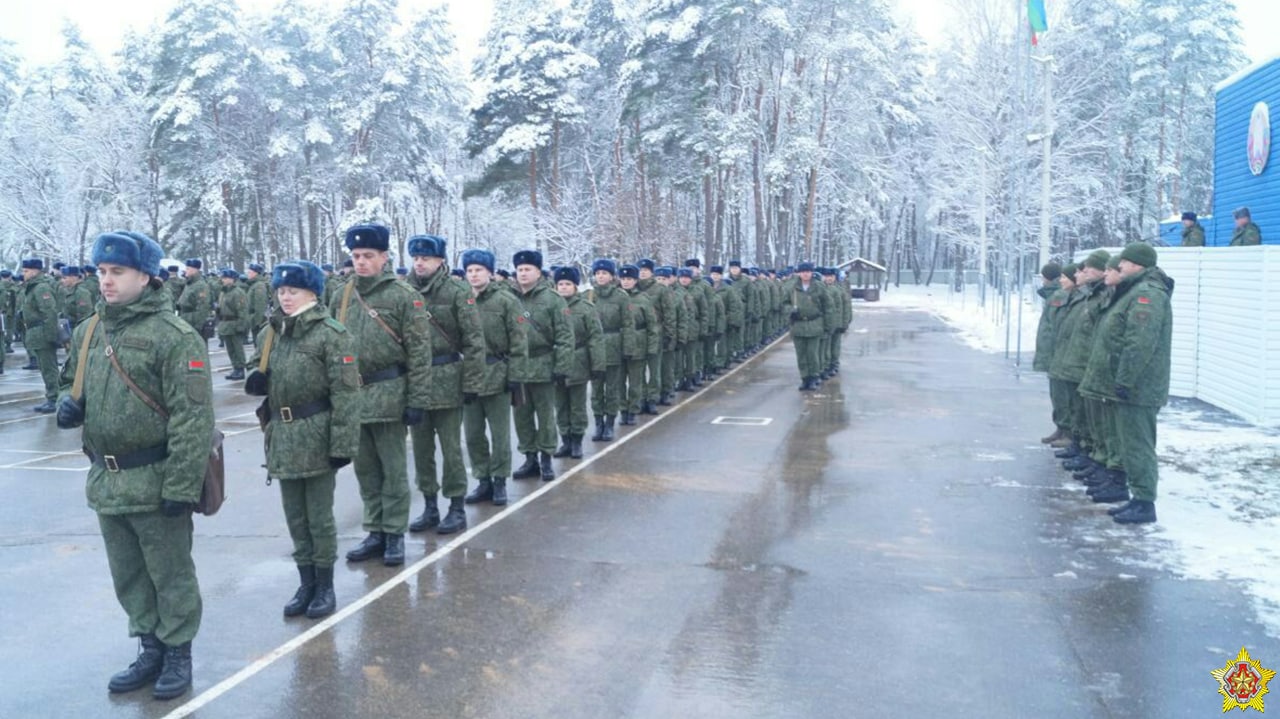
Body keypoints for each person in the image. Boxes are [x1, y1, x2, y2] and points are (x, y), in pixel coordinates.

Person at [56, 230, 214, 701]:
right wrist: (72, 404)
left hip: (157, 477)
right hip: (109, 479)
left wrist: (182, 486)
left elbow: (193, 419)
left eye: (117, 272)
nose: (106, 281)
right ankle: (149, 648)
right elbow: (75, 383)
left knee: (170, 574)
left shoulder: (175, 337)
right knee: (128, 574)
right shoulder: (89, 332)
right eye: (102, 272)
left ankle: (178, 652)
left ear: (145, 276)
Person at [245, 260, 360, 619]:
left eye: (293, 291)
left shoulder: (331, 334)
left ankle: (324, 585)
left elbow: (346, 394)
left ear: (312, 292)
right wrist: (254, 378)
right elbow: (255, 364)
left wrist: (343, 444)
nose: (286, 297)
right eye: (281, 291)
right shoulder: (271, 333)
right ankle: (305, 581)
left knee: (319, 517)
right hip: (281, 433)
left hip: (316, 432)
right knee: (295, 516)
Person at [333, 224, 432, 567]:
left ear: (384, 257)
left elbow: (420, 353)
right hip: (353, 397)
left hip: (391, 394)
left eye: (368, 256)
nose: (361, 262)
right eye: (356, 256)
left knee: (392, 471)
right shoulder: (341, 294)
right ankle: (374, 530)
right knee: (366, 471)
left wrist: (418, 399)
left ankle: (394, 534)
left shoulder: (403, 296)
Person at [1078, 243, 1172, 524]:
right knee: (1128, 442)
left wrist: (1125, 380)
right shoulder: (1132, 292)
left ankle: (1144, 503)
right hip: (1130, 386)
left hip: (1139, 388)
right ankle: (1135, 494)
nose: (1119, 266)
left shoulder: (1146, 295)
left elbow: (1138, 344)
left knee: (1137, 444)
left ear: (1138, 266)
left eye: (1125, 262)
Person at [405, 235, 486, 536]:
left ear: (440, 261)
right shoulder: (404, 290)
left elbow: (474, 340)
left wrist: (472, 381)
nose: (420, 263)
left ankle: (456, 507)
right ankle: (429, 506)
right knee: (421, 450)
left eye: (426, 258)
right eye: (416, 258)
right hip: (416, 382)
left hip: (449, 377)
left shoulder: (457, 291)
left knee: (451, 449)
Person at [461, 249, 527, 508]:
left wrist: (516, 375)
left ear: (490, 272)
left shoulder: (506, 301)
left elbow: (519, 341)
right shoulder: (461, 299)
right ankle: (483, 479)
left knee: (499, 434)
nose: (474, 275)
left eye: (479, 270)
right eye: (469, 270)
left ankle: (499, 480)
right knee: (473, 434)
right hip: (469, 377)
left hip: (498, 373)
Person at [510, 250, 574, 481]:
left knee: (545, 415)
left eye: (528, 269)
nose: (523, 273)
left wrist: (562, 367)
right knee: (521, 416)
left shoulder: (552, 299)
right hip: (517, 366)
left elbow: (566, 336)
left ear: (538, 272)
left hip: (544, 364)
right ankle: (529, 458)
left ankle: (546, 458)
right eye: (520, 270)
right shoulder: (509, 297)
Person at [1050, 252, 1109, 473]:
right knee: (1079, 411)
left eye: (1084, 270)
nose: (1078, 274)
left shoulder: (1097, 295)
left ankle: (1094, 457)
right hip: (1075, 362)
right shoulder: (1086, 295)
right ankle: (1083, 449)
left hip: (1085, 365)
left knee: (1092, 417)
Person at [553, 266, 604, 459]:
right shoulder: (552, 306)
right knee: (560, 405)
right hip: (556, 360)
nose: (563, 288)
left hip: (578, 361)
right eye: (560, 284)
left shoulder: (585, 308)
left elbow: (595, 338)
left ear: (575, 286)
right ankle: (565, 440)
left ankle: (576, 441)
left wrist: (598, 364)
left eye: (567, 284)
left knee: (577, 405)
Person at [587, 259, 630, 439]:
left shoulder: (621, 297)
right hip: (593, 348)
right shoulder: (588, 296)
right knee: (596, 390)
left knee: (612, 389)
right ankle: (598, 423)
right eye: (597, 273)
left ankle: (610, 423)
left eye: (604, 273)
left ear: (612, 276)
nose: (600, 276)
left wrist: (627, 348)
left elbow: (628, 324)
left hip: (614, 346)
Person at [618, 264, 659, 426]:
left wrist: (651, 347)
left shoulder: (643, 299)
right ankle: (623, 409)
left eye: (629, 279)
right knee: (619, 382)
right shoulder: (616, 298)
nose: (626, 282)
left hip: (638, 345)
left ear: (635, 280)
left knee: (636, 382)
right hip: (618, 345)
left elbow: (652, 325)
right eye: (623, 279)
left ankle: (634, 410)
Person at [20, 258, 61, 412]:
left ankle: (55, 398)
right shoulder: (33, 287)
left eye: (26, 271)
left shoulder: (41, 288)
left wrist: (52, 336)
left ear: (35, 271)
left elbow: (49, 312)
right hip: (36, 333)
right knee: (45, 368)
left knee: (49, 368)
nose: (23, 274)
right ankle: (52, 397)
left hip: (43, 333)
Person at [635, 259, 676, 413]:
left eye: (646, 269)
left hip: (656, 333)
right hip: (637, 335)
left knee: (654, 370)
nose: (643, 272)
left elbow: (669, 314)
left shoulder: (660, 289)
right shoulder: (633, 288)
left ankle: (652, 399)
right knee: (638, 371)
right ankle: (641, 398)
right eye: (640, 269)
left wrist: (668, 335)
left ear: (652, 272)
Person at [783, 262, 831, 391]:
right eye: (803, 271)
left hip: (814, 324)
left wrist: (828, 326)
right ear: (799, 273)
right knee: (801, 355)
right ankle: (805, 378)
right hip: (798, 325)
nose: (805, 274)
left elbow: (828, 306)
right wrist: (790, 311)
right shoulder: (791, 286)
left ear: (811, 273)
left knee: (813, 354)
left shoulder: (819, 287)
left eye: (808, 271)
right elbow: (784, 303)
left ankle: (814, 377)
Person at [1033, 262, 1066, 443]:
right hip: (1055, 351)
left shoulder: (1057, 295)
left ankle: (1065, 431)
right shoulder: (1053, 294)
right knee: (1057, 394)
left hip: (1058, 352)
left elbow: (1056, 326)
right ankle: (1061, 429)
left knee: (1062, 395)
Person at [216, 269, 249, 380]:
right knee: (230, 349)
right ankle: (235, 368)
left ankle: (240, 369)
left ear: (232, 279)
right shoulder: (223, 292)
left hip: (234, 323)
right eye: (223, 278)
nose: (223, 280)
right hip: (225, 324)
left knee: (237, 348)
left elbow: (242, 311)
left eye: (226, 278)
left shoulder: (237, 292)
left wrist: (241, 326)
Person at [244, 262, 270, 345]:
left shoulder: (259, 286)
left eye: (250, 272)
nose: (248, 274)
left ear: (256, 273)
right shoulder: (254, 285)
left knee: (259, 344)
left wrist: (256, 321)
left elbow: (260, 305)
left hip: (258, 320)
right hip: (254, 318)